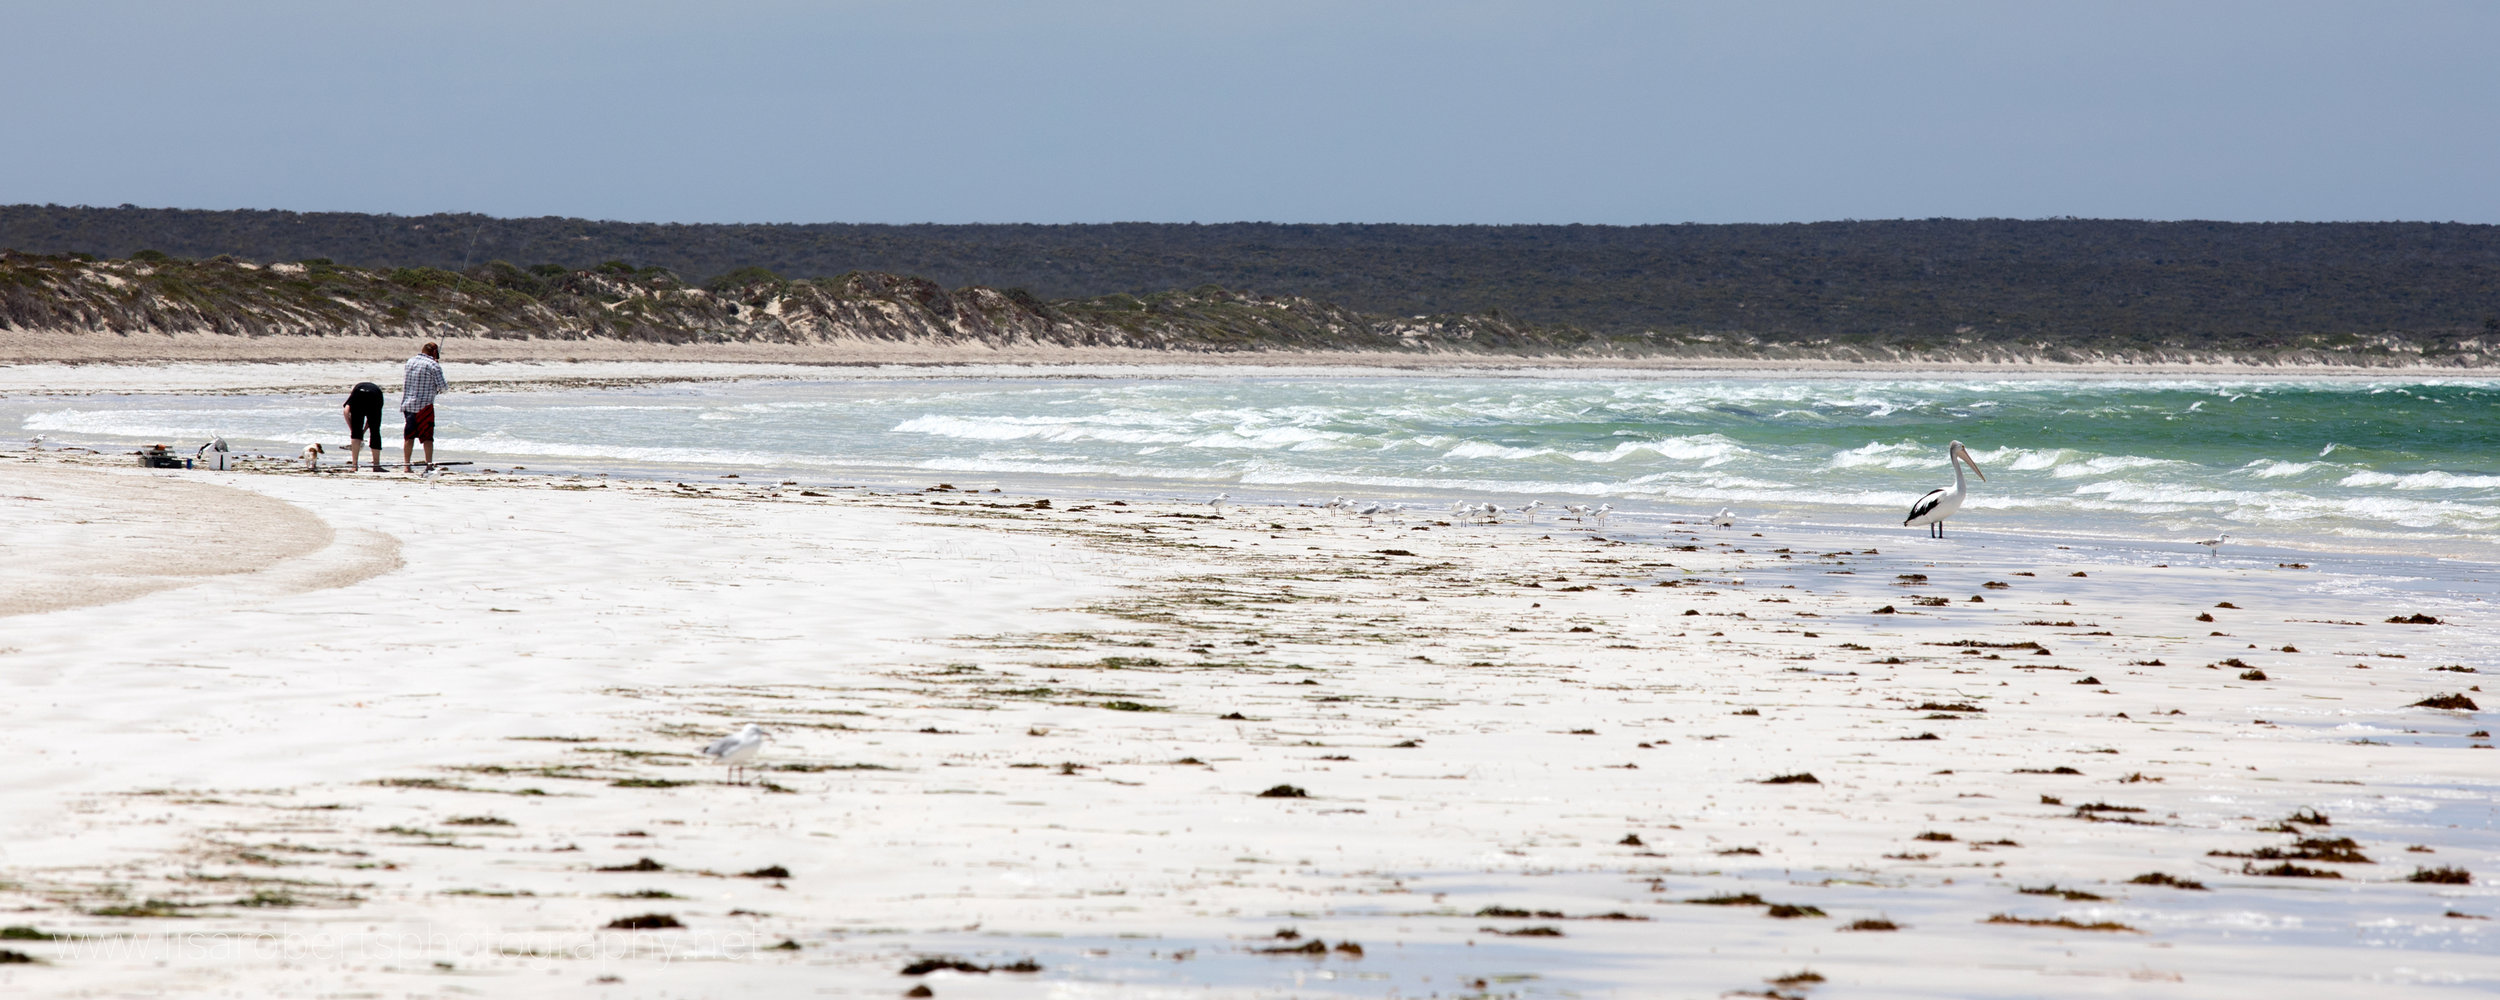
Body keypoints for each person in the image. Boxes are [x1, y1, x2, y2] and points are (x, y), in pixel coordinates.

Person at [400, 342, 447, 473]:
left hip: (408, 404)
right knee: (427, 437)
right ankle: (429, 464)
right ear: (434, 353)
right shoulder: (433, 365)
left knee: (409, 436)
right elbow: (443, 387)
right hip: (424, 406)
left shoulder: (410, 362)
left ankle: (406, 465)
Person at [342, 381, 386, 471]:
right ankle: (376, 465)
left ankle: (354, 466)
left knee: (356, 433)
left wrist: (354, 430)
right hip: (375, 395)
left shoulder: (354, 395)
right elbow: (371, 421)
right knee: (375, 431)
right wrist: (363, 431)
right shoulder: (375, 392)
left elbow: (346, 412)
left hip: (361, 394)